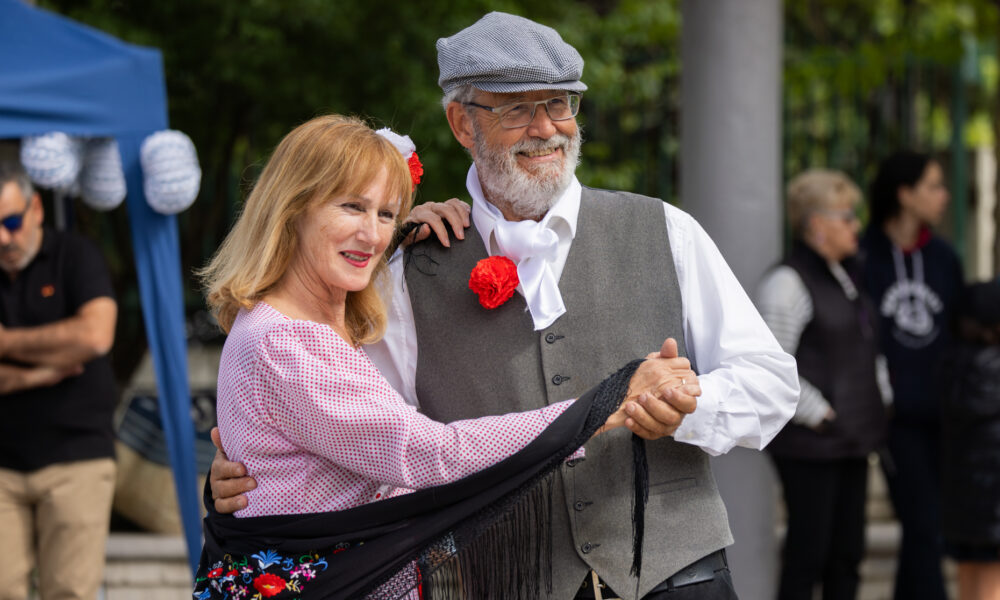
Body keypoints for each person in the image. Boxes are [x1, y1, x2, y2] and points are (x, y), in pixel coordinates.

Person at [211, 12, 799, 600]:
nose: (545, 127)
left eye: (560, 103)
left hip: (679, 579)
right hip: (501, 583)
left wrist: (689, 407)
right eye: (516, 108)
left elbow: (772, 385)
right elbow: (360, 454)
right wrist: (234, 485)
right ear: (461, 124)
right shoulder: (402, 275)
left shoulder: (666, 230)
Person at [194, 114, 699, 600]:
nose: (373, 235)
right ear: (293, 208)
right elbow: (429, 453)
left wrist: (407, 231)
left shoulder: (309, 322)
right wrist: (603, 405)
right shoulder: (288, 341)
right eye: (351, 207)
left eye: (386, 213)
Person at [756, 170, 889, 600]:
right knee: (808, 555)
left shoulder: (846, 275)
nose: (856, 226)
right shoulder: (787, 283)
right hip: (812, 444)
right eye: (846, 216)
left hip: (850, 439)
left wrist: (879, 398)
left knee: (847, 554)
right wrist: (822, 415)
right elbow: (773, 362)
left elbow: (865, 346)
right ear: (816, 224)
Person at [0, 162, 118, 599]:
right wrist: (44, 372)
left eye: (10, 222)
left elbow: (95, 335)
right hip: (3, 465)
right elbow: (79, 341)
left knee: (69, 591)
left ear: (35, 208)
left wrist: (6, 342)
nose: (3, 238)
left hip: (76, 458)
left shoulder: (77, 254)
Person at [860, 151, 964, 600]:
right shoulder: (864, 257)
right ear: (905, 194)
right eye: (934, 186)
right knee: (923, 523)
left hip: (945, 415)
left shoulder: (944, 258)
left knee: (929, 528)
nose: (944, 196)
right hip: (893, 419)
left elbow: (960, 332)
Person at [939, 279, 1000, 600]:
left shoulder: (953, 363)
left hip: (962, 503)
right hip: (992, 504)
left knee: (969, 576)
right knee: (993, 582)